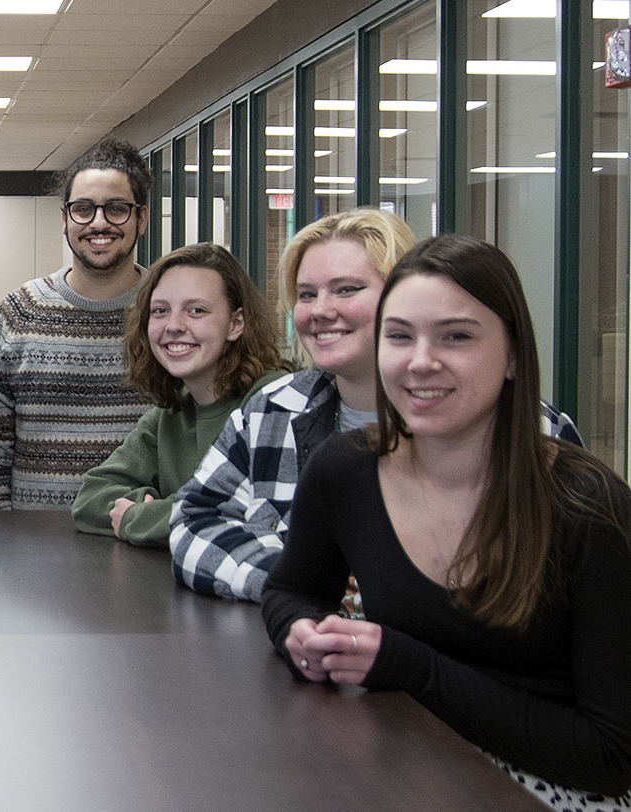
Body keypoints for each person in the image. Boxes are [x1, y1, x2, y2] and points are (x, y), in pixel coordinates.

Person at [263, 235, 631, 806]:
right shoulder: (346, 470)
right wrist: (301, 633)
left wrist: (410, 667)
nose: (420, 361)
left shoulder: (589, 507)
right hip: (405, 763)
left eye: (456, 336)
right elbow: (292, 589)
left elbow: (611, 757)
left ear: (512, 354)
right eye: (399, 336)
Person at [169, 209, 580, 601]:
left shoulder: (536, 431)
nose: (321, 311)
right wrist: (300, 583)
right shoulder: (271, 412)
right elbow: (193, 520)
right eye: (308, 294)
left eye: (347, 289)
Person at [71, 243, 290, 544]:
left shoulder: (274, 402)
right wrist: (179, 511)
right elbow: (90, 499)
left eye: (196, 310)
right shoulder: (168, 416)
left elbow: (254, 516)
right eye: (160, 311)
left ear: (235, 324)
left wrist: (143, 515)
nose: (174, 326)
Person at [0, 137, 155, 510]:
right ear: (64, 218)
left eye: (116, 209)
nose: (99, 223)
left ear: (141, 218)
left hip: (141, 539)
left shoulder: (166, 312)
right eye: (83, 209)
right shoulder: (19, 312)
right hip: (31, 548)